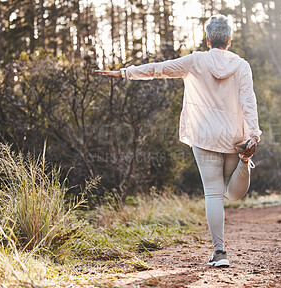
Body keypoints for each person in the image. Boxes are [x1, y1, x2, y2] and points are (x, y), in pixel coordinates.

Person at [95, 14, 262, 268]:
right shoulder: (242, 66)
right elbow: (249, 102)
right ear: (229, 39)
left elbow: (159, 68)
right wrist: (254, 135)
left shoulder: (195, 61)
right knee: (232, 194)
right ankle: (245, 159)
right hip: (234, 138)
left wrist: (124, 73)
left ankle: (220, 253)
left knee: (214, 195)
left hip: (205, 138)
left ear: (207, 40)